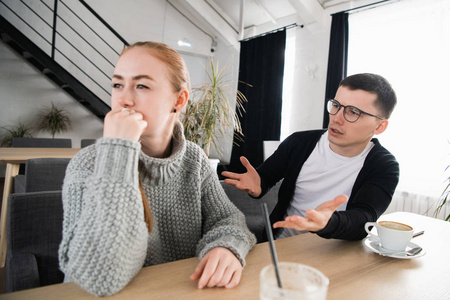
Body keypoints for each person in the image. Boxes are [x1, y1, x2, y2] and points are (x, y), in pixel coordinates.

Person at [58, 41, 256, 296]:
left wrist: (226, 247)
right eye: (118, 84)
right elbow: (101, 278)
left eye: (141, 86)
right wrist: (118, 150)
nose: (124, 99)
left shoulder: (194, 160)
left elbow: (228, 220)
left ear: (179, 99)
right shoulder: (89, 164)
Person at [222, 73, 399, 241]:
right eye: (336, 105)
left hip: (338, 253)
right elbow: (265, 178)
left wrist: (328, 222)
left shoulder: (384, 165)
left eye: (353, 112)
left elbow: (365, 218)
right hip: (281, 244)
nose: (336, 118)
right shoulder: (299, 142)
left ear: (379, 127)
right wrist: (258, 184)